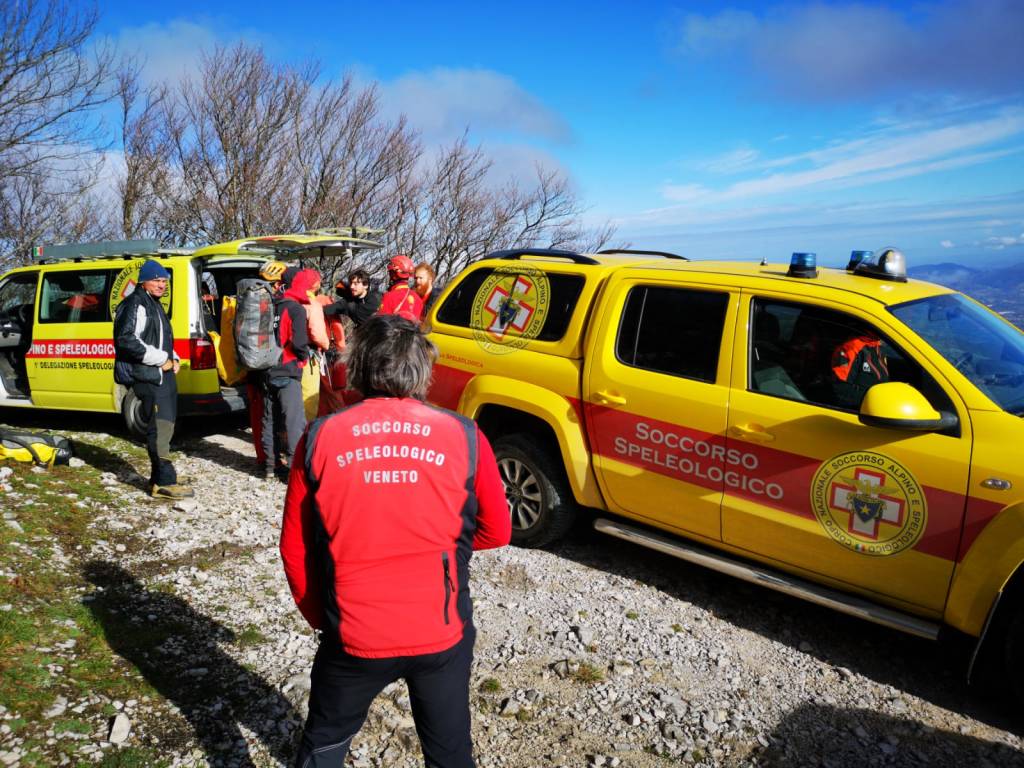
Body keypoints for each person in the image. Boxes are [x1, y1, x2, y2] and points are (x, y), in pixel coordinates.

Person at [280, 314, 511, 768]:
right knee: (449, 752)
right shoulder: (466, 434)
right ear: (424, 369)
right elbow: (497, 530)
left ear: (359, 365)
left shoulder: (319, 435)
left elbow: (295, 548)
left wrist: (322, 617)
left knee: (325, 742)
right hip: (440, 631)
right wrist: (445, 546)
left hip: (351, 631)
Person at [113, 260, 193, 500]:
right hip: (147, 375)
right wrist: (160, 360)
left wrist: (174, 358)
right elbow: (126, 340)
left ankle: (162, 472)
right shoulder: (134, 304)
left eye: (164, 281)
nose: (162, 285)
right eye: (157, 280)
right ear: (143, 281)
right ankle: (163, 482)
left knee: (166, 424)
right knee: (158, 427)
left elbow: (161, 339)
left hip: (162, 373)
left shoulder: (153, 303)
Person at [260, 268, 315, 481]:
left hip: (266, 369)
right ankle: (295, 470)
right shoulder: (295, 309)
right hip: (288, 370)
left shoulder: (269, 305)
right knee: (294, 421)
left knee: (270, 420)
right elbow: (300, 342)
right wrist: (303, 358)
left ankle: (270, 466)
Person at [378, 254, 423, 322]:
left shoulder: (389, 297)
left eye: (390, 273)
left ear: (393, 275)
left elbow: (381, 324)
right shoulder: (418, 299)